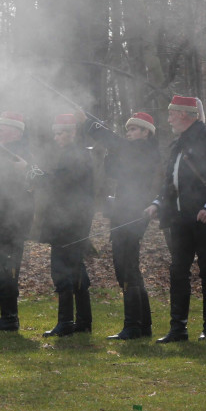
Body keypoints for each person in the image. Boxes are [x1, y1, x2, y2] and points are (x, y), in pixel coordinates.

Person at [145, 95, 206, 342]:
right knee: (178, 272)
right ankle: (178, 328)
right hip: (179, 219)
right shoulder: (178, 143)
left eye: (172, 113)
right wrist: (158, 203)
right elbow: (171, 181)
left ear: (185, 114)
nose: (169, 118)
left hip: (205, 217)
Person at [86, 111, 160, 340]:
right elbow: (113, 171)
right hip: (123, 213)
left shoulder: (145, 150)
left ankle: (133, 325)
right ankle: (142, 325)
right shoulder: (131, 151)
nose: (129, 134)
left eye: (134, 130)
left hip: (133, 213)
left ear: (146, 132)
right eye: (127, 130)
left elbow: (118, 146)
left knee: (127, 267)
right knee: (128, 268)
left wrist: (93, 125)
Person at [39, 113, 95, 337]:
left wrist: (38, 176)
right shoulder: (75, 154)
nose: (58, 137)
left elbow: (61, 184)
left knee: (62, 270)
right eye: (56, 133)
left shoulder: (75, 155)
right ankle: (82, 320)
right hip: (71, 219)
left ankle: (66, 322)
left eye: (62, 132)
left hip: (70, 221)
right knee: (75, 267)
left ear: (72, 133)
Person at [0, 112, 35, 331]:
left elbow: (21, 185)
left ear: (15, 132)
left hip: (11, 221)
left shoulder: (21, 154)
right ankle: (6, 313)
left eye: (2, 128)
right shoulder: (0, 152)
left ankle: (10, 317)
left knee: (7, 269)